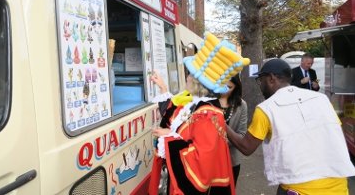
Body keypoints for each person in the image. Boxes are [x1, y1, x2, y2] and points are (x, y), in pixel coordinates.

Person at [226, 58, 355, 195]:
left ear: (271, 78)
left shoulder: (266, 109)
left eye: (260, 80)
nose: (260, 85)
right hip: (339, 188)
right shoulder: (322, 100)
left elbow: (246, 147)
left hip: (298, 190)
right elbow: (333, 132)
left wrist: (221, 123)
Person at [148, 32, 251, 195]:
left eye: (190, 74)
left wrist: (170, 138)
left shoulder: (207, 114)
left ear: (196, 82)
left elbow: (200, 163)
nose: (187, 77)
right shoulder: (197, 106)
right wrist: (163, 88)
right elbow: (174, 116)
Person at [215, 74, 247, 185]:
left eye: (229, 87)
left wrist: (222, 143)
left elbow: (242, 134)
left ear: (236, 88)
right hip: (210, 159)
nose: (224, 89)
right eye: (222, 85)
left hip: (232, 159)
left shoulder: (241, 105)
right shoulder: (209, 101)